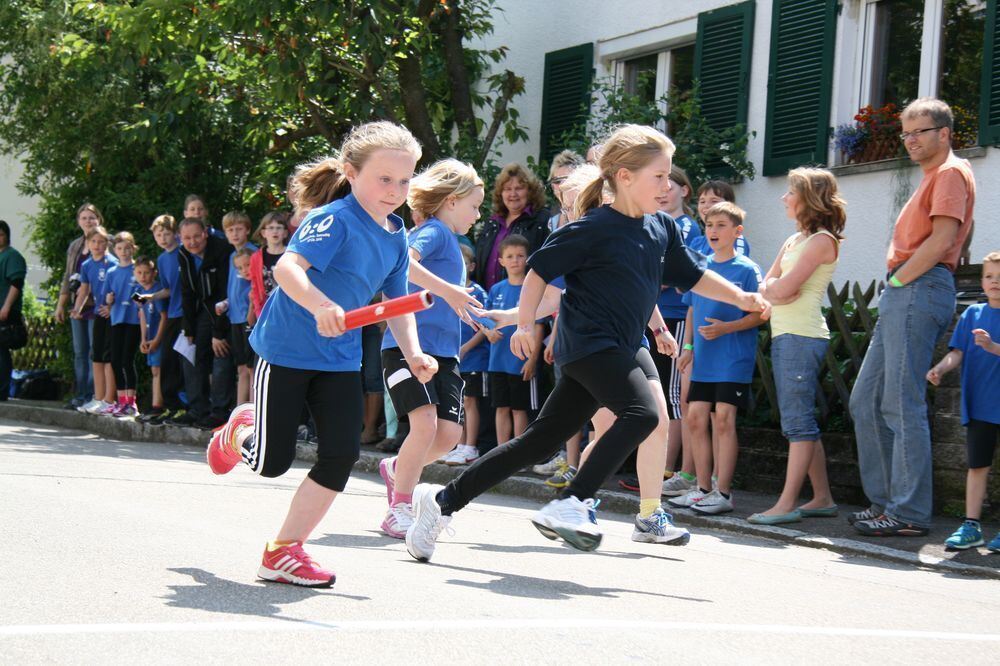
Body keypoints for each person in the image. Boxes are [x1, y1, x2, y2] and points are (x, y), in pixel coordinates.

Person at [405, 124, 769, 561]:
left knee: (538, 442)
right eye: (659, 175)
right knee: (644, 413)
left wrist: (742, 296)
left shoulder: (661, 229)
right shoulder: (594, 227)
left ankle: (442, 502)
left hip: (621, 344)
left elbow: (694, 275)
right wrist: (523, 326)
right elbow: (539, 271)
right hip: (589, 343)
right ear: (624, 176)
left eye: (669, 176)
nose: (667, 185)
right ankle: (572, 501)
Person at [205, 121, 436, 588]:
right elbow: (289, 268)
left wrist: (413, 352)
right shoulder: (334, 219)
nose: (395, 191)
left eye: (404, 180)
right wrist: (321, 304)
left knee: (341, 453)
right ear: (352, 173)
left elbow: (397, 302)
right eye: (384, 179)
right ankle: (240, 430)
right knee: (272, 463)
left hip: (339, 359)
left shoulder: (396, 237)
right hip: (287, 351)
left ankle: (283, 551)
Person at [849, 97, 976, 537]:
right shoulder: (932, 177)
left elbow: (942, 240)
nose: (910, 141)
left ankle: (908, 513)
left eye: (919, 131)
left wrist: (900, 280)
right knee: (865, 400)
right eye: (905, 133)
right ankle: (885, 502)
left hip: (919, 288)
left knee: (900, 405)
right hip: (908, 290)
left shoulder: (949, 173)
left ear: (944, 133)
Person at [377, 158, 486, 538]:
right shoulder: (435, 231)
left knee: (447, 436)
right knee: (422, 426)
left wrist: (464, 310)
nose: (477, 214)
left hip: (445, 354)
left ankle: (397, 469)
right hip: (407, 348)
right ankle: (399, 508)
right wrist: (449, 291)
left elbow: (445, 296)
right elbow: (402, 262)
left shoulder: (454, 245)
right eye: (474, 206)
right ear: (452, 201)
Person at [749, 168, 846, 524]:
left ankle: (786, 504)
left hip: (801, 336)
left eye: (790, 192)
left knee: (797, 423)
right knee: (800, 419)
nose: (783, 198)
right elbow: (768, 283)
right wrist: (777, 289)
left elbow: (782, 287)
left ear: (809, 198)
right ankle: (821, 498)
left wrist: (777, 289)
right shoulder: (794, 241)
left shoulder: (822, 241)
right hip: (788, 334)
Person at [669, 202, 764, 515]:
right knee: (695, 418)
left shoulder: (747, 269)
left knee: (723, 420)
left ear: (737, 232)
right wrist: (688, 348)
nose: (713, 231)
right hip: (704, 360)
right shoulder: (701, 267)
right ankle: (702, 488)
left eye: (721, 225)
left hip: (733, 358)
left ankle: (723, 493)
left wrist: (727, 328)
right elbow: (692, 308)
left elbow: (760, 314)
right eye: (709, 225)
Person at [927, 252, 1000, 551]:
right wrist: (941, 368)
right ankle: (971, 526)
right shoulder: (972, 314)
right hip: (981, 405)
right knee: (977, 466)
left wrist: (992, 346)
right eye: (989, 277)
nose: (995, 282)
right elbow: (957, 352)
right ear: (982, 281)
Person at [654, 165, 703, 498]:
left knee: (673, 398)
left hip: (675, 316)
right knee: (657, 392)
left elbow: (681, 273)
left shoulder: (688, 227)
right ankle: (658, 463)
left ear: (684, 191)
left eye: (669, 185)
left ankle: (667, 467)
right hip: (653, 314)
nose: (664, 191)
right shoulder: (656, 222)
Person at [169, 217, 235, 429]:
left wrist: (218, 331)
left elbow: (225, 292)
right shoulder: (183, 254)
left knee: (220, 353)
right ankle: (197, 408)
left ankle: (219, 411)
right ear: (180, 238)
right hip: (199, 311)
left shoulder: (222, 249)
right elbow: (187, 291)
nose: (193, 242)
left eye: (197, 236)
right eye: (187, 238)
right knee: (188, 353)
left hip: (223, 309)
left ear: (206, 233)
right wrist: (188, 327)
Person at [487, 235, 543, 443]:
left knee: (520, 410)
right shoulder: (496, 289)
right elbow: (487, 320)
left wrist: (532, 359)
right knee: (501, 408)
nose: (515, 260)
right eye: (509, 256)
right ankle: (501, 453)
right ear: (501, 260)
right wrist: (488, 332)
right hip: (497, 361)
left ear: (528, 259)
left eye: (520, 255)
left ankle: (517, 453)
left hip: (520, 362)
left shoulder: (533, 290)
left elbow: (539, 326)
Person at [442, 244, 489, 466]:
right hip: (452, 356)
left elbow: (484, 327)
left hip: (473, 357)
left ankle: (470, 446)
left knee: (469, 400)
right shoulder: (446, 289)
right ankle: (458, 445)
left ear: (471, 266)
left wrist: (467, 347)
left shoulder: (477, 292)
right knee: (456, 401)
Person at [54, 203, 103, 409]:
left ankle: (94, 395)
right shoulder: (75, 246)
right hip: (77, 304)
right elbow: (68, 277)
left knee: (94, 351)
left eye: (92, 217)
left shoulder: (104, 243)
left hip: (96, 305)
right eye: (84, 218)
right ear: (78, 221)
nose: (88, 221)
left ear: (99, 220)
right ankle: (80, 394)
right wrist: (60, 305)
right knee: (79, 351)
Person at [472, 163, 549, 290]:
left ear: (530, 191)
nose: (513, 194)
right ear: (500, 193)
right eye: (507, 189)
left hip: (522, 298)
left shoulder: (541, 221)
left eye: (519, 188)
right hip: (489, 299)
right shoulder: (492, 223)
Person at [73, 226, 118, 414]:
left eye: (101, 241)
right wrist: (77, 309)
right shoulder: (86, 265)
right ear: (87, 243)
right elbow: (84, 289)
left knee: (110, 358)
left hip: (114, 315)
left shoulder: (113, 263)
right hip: (99, 313)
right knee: (96, 356)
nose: (97, 245)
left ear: (107, 243)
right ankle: (98, 398)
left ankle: (110, 399)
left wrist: (111, 307)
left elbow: (121, 289)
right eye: (93, 242)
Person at [149, 214, 186, 424]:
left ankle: (184, 404)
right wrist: (148, 297)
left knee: (184, 362)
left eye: (166, 233)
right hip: (172, 314)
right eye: (158, 234)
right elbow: (166, 290)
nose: (163, 238)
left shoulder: (184, 251)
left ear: (175, 234)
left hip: (186, 314)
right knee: (168, 361)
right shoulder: (162, 259)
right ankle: (171, 405)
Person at [219, 211, 257, 404]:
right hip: (235, 317)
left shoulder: (253, 253)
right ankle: (239, 412)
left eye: (238, 229)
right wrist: (225, 304)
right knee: (241, 367)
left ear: (247, 230)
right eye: (230, 230)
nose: (234, 233)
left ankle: (251, 411)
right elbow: (233, 288)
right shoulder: (232, 255)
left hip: (249, 317)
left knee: (251, 368)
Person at [104, 231, 143, 417]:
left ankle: (131, 402)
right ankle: (121, 401)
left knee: (127, 359)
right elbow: (107, 296)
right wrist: (109, 299)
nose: (124, 252)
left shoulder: (138, 269)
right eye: (120, 248)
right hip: (117, 319)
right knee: (115, 360)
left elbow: (143, 289)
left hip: (134, 320)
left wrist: (136, 299)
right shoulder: (112, 272)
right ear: (115, 250)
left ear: (133, 249)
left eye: (127, 248)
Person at [135, 257, 167, 422]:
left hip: (158, 337)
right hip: (148, 337)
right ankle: (155, 404)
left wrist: (156, 339)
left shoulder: (158, 290)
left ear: (154, 273)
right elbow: (142, 316)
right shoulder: (137, 292)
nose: (143, 276)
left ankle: (158, 405)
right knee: (154, 370)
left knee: (158, 370)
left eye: (147, 272)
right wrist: (143, 339)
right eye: (139, 272)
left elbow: (163, 316)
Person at [0, 220, 28, 400]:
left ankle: (2, 390)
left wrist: (6, 307)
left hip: (4, 310)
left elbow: (16, 283)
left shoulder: (12, 256)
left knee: (1, 350)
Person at [688, 180, 750, 257]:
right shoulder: (696, 242)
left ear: (728, 204)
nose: (706, 206)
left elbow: (737, 267)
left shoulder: (735, 239)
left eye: (714, 201)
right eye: (702, 202)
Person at [248, 211, 290, 323]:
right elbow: (255, 287)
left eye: (279, 227)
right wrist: (259, 313)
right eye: (270, 228)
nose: (275, 231)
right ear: (263, 233)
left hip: (289, 308)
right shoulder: (256, 258)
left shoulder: (292, 255)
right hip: (267, 309)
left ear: (285, 233)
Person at [546, 150, 585, 232]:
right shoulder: (550, 219)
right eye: (557, 181)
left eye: (568, 180)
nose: (562, 186)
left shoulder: (590, 212)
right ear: (552, 186)